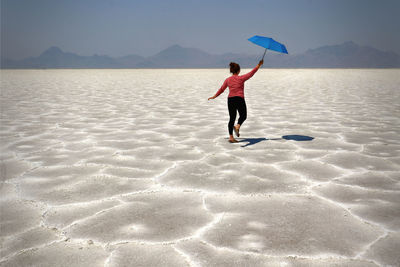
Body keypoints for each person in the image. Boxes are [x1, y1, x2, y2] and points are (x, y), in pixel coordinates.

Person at [208, 60, 263, 143]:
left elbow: (222, 89)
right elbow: (251, 73)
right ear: (239, 70)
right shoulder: (241, 78)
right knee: (243, 115)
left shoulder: (228, 80)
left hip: (230, 100)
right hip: (239, 99)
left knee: (232, 118)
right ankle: (237, 126)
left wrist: (214, 96)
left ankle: (231, 137)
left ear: (231, 71)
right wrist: (259, 65)